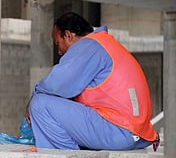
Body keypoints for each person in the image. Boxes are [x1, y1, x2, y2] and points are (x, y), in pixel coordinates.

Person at [25, 12, 159, 150]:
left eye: (58, 43)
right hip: (135, 131)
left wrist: (35, 95)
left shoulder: (89, 46)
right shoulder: (105, 44)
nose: (59, 51)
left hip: (120, 130)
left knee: (39, 104)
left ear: (68, 35)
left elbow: (58, 83)